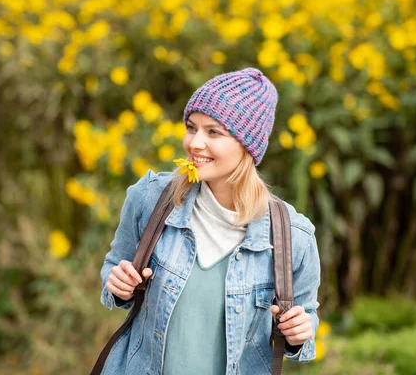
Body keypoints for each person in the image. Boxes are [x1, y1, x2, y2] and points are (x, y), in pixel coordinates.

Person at [99, 68, 321, 374]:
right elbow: (114, 269)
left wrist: (299, 331)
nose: (194, 143)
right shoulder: (149, 199)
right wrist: (118, 284)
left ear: (248, 145)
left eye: (213, 132)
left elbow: (305, 321)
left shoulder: (293, 236)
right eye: (192, 127)